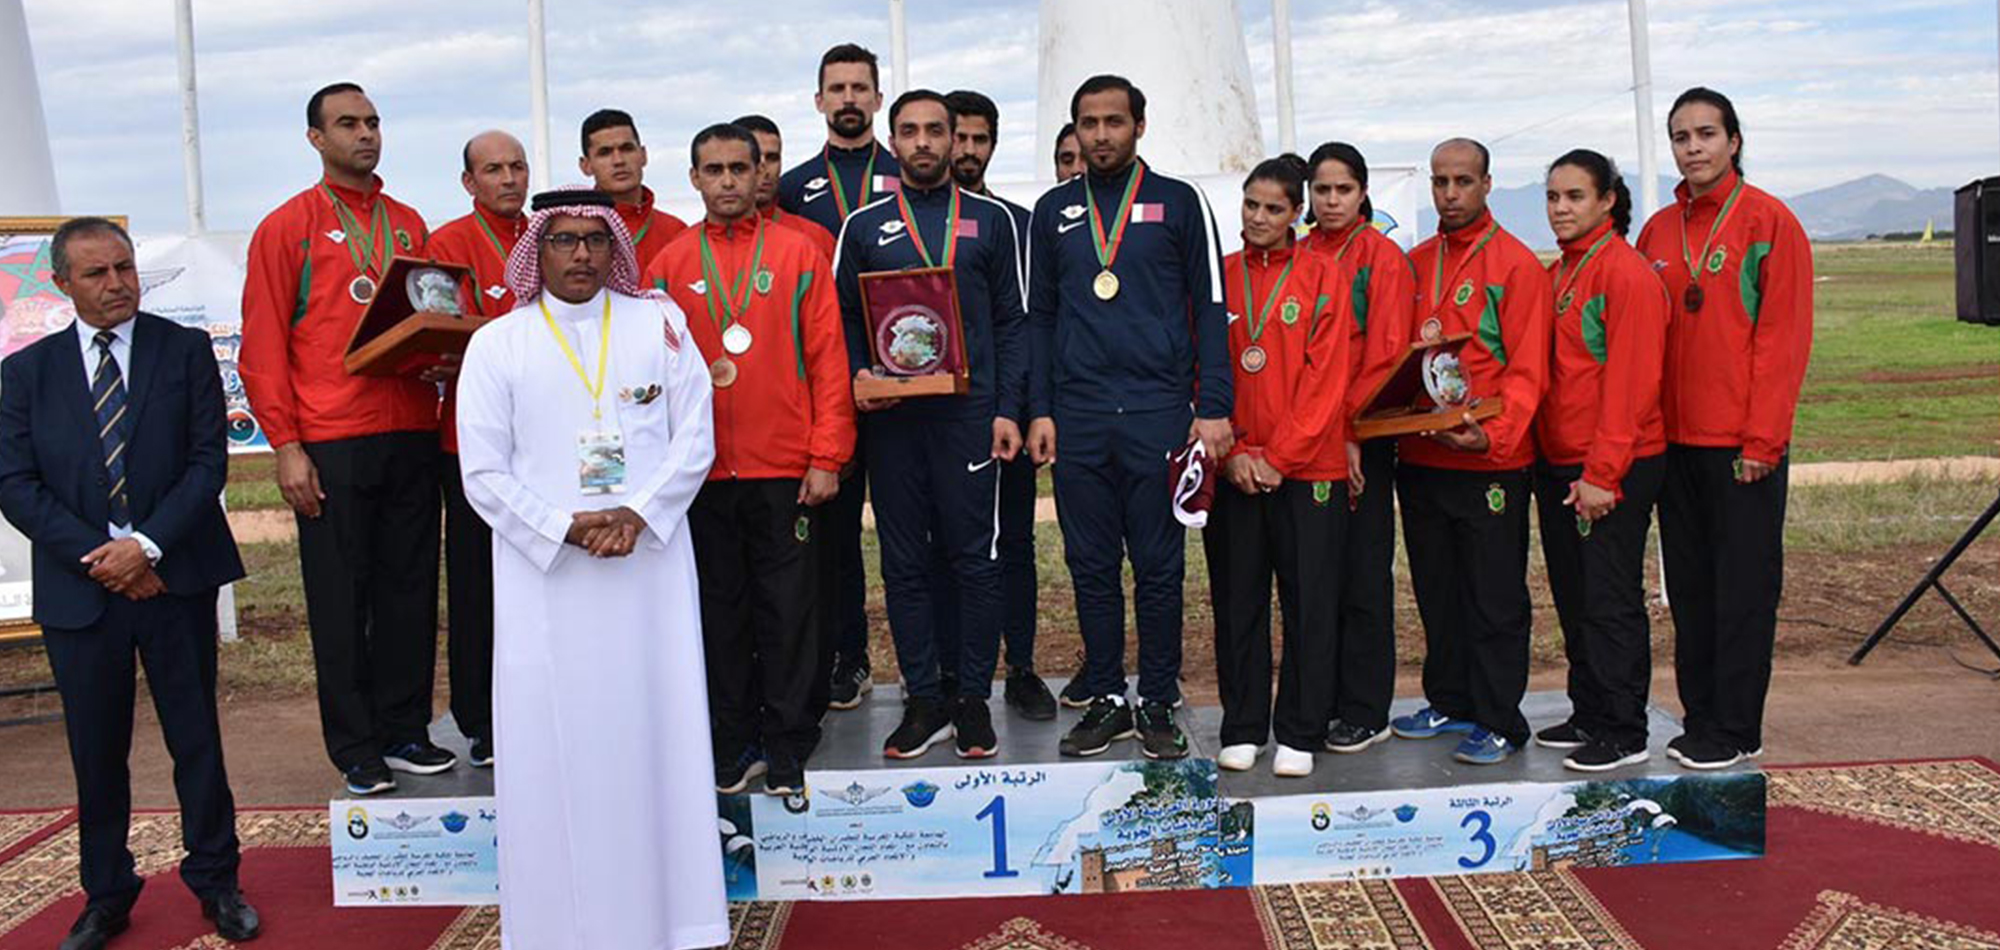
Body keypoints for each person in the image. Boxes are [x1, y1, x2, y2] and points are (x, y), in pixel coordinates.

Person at [455, 187, 726, 950]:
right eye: (564, 241)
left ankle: (679, 922)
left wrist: (638, 514)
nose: (580, 255)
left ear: (616, 248)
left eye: (594, 240)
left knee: (657, 731)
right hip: (549, 580)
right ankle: (556, 928)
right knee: (556, 745)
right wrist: (562, 529)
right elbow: (483, 472)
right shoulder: (498, 344)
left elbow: (694, 438)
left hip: (649, 572)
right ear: (535, 251)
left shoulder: (661, 323)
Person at [0, 218, 259, 950]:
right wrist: (104, 557)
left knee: (196, 739)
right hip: (83, 593)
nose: (116, 284)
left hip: (177, 577)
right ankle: (107, 894)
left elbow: (208, 463)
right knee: (95, 748)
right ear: (61, 285)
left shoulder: (183, 352)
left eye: (124, 268)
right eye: (97, 274)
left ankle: (217, 882)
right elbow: (15, 484)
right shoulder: (27, 373)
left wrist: (144, 548)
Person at [240, 82, 449, 795]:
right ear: (316, 139)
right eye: (348, 124)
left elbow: (423, 317)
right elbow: (264, 345)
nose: (365, 135)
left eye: (373, 122)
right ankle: (356, 748)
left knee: (411, 590)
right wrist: (287, 445)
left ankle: (407, 730)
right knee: (340, 597)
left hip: (411, 429)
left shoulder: (408, 222)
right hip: (332, 438)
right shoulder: (286, 226)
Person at [1027, 75, 1230, 759]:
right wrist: (1041, 410)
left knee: (1158, 566)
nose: (1102, 134)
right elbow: (1041, 318)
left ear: (1140, 126)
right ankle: (1109, 696)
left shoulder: (1178, 202)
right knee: (1089, 564)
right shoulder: (1051, 211)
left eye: (1115, 121)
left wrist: (1214, 407)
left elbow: (1209, 307)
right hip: (1080, 415)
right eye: (1089, 123)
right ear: (1075, 130)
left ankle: (1161, 699)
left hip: (1158, 412)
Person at [649, 124, 855, 794]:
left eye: (742, 167)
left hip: (783, 468)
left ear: (762, 170)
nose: (730, 180)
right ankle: (732, 740)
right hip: (700, 474)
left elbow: (828, 362)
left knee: (789, 610)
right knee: (719, 611)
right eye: (715, 169)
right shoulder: (670, 266)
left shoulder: (797, 254)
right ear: (695, 178)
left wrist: (827, 455)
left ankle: (789, 738)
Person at [836, 90, 1027, 758]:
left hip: (969, 416)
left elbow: (1012, 322)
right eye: (910, 131)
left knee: (976, 560)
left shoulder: (992, 221)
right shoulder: (863, 226)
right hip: (893, 421)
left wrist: (1007, 408)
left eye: (935, 131)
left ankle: (973, 699)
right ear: (893, 141)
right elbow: (845, 323)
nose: (923, 142)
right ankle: (923, 699)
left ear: (954, 140)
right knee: (905, 561)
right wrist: (860, 374)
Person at [1635, 87, 1813, 771]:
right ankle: (1701, 716)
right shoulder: (1656, 230)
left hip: (1741, 448)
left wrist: (1762, 441)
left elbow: (1781, 340)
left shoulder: (1770, 223)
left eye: (1707, 133)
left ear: (1733, 140)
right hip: (1672, 445)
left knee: (1741, 590)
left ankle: (1738, 727)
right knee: (1691, 589)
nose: (1694, 148)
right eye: (1681, 137)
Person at [1387, 138, 1552, 765]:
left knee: (1493, 595)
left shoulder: (1515, 265)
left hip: (1490, 459)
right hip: (1424, 458)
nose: (1449, 194)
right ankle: (1451, 700)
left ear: (1486, 184)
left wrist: (1495, 434)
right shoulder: (1417, 261)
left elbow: (1529, 367)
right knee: (1438, 590)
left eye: (1462, 181)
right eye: (1439, 182)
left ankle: (1500, 719)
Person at [1208, 156, 1355, 778]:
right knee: (1238, 599)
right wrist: (1237, 451)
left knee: (1310, 601)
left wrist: (1280, 457)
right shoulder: (1219, 277)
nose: (1260, 218)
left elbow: (1327, 381)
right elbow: (1205, 370)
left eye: (1274, 208)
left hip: (1307, 469)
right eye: (1250, 205)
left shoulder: (1323, 275)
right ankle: (1243, 725)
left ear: (1297, 213)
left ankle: (1299, 727)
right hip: (1234, 468)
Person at [1535, 148, 1672, 772]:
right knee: (1575, 595)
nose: (1561, 209)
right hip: (1563, 462)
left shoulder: (1626, 274)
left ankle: (1623, 729)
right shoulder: (1563, 270)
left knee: (1611, 599)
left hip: (1611, 464)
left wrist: (1602, 474)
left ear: (1608, 201)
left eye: (1575, 197)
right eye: (1554, 198)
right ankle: (1589, 708)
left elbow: (1631, 386)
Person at [940, 87, 1055, 720]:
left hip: (1004, 414)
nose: (968, 150)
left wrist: (1035, 408)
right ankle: (952, 673)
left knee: (1013, 543)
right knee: (947, 549)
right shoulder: (907, 218)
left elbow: (1029, 325)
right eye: (959, 137)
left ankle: (1024, 669)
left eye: (980, 139)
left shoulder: (1015, 222)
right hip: (937, 419)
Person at [1302, 142, 1418, 756]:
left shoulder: (1382, 259)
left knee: (1362, 577)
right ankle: (1315, 702)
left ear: (1363, 192)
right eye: (1321, 191)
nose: (1331, 201)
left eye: (1342, 190)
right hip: (1305, 443)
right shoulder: (1298, 254)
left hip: (1359, 443)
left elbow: (1385, 359)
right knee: (1313, 579)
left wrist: (1350, 434)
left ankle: (1365, 708)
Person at [424, 129, 531, 769]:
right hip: (471, 444)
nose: (509, 179)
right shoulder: (449, 245)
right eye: (494, 169)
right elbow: (441, 335)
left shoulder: (550, 233)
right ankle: (482, 719)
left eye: (518, 166)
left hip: (543, 442)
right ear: (469, 182)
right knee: (477, 586)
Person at [578, 108, 688, 270]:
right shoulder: (574, 232)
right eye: (605, 153)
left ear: (643, 155)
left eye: (627, 149)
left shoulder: (676, 232)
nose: (618, 160)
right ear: (586, 166)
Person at [729, 113, 837, 262]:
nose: (764, 169)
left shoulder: (815, 238)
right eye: (754, 158)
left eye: (772, 158)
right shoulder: (695, 242)